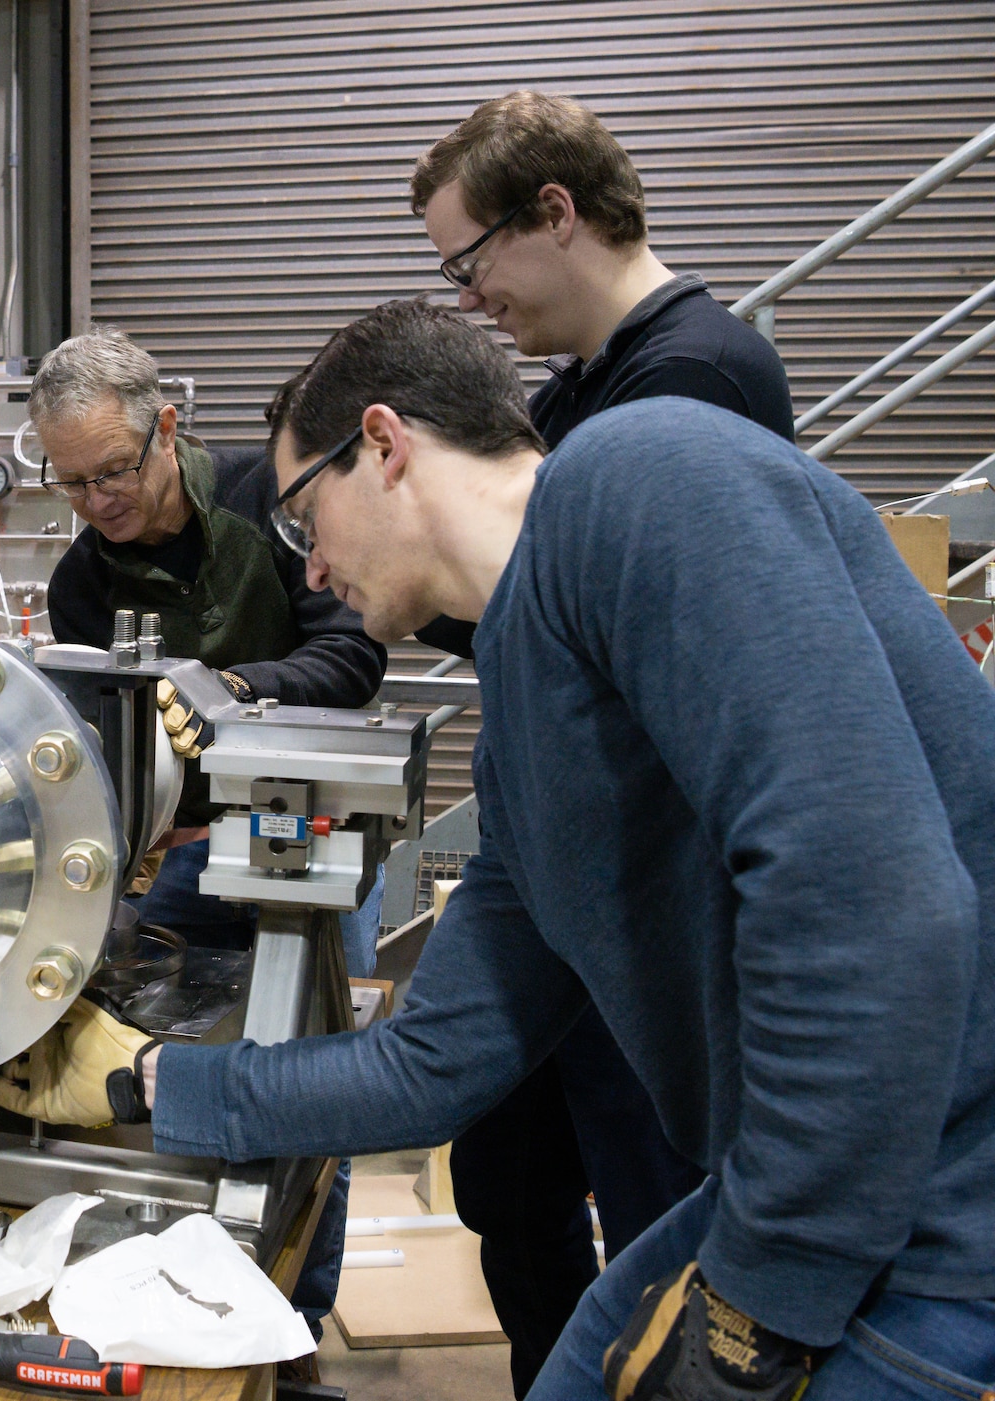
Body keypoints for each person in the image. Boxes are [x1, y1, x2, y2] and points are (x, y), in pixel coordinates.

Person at [0, 298, 995, 1401]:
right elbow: (433, 1066)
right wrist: (141, 1079)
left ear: (381, 445)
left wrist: (760, 1305)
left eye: (301, 520)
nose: (307, 572)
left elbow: (882, 910)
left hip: (936, 1224)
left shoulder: (641, 473)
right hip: (784, 1198)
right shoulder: (524, 718)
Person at [405, 91, 795, 1393]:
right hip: (578, 896)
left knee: (650, 1230)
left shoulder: (695, 380)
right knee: (511, 1185)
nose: (470, 301)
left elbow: (658, 682)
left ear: (554, 214)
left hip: (646, 913)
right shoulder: (588, 393)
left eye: (472, 263)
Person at [27, 328, 386, 1342]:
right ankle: (181, 1297)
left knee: (316, 1080)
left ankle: (295, 1325)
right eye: (72, 485)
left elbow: (349, 655)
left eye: (113, 473)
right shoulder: (81, 582)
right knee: (150, 1048)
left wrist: (230, 689)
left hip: (295, 828)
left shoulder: (266, 506)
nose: (97, 504)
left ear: (165, 430)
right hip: (180, 852)